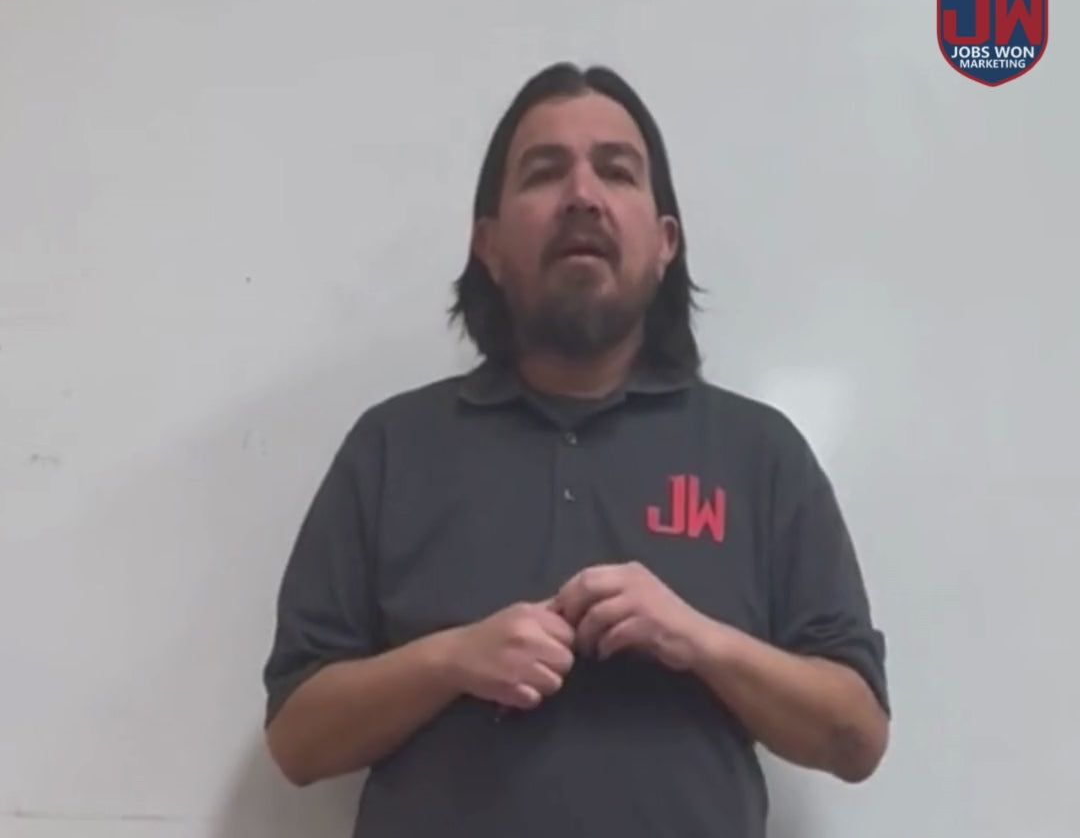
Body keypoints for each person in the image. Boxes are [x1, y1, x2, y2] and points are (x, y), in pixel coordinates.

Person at [261, 62, 890, 838]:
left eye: (616, 171)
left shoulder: (761, 453)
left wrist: (695, 639)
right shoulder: (392, 447)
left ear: (664, 243)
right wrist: (452, 659)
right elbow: (296, 739)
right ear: (489, 244)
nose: (583, 196)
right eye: (544, 171)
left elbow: (856, 735)